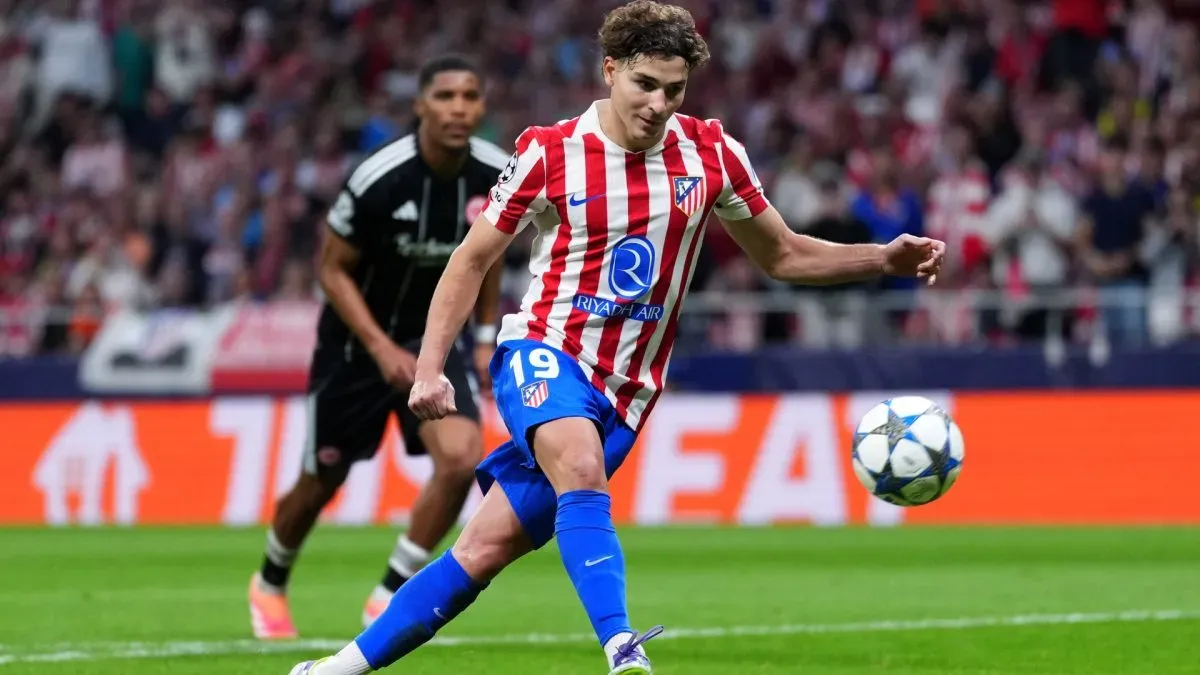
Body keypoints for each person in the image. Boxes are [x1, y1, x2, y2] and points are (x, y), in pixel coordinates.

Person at [287, 2, 944, 673]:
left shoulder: (713, 154)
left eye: (674, 90)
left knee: (480, 551)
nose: (659, 104)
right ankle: (622, 649)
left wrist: (881, 258)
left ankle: (334, 669)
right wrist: (432, 367)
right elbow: (471, 259)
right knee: (577, 464)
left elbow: (782, 255)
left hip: (626, 395)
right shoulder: (549, 151)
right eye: (645, 85)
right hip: (541, 351)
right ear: (610, 70)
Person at [249, 53, 512, 639]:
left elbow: (486, 256)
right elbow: (332, 270)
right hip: (354, 348)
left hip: (435, 344)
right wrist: (379, 348)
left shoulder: (497, 172)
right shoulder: (378, 177)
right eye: (445, 97)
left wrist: (485, 337)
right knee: (322, 479)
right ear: (420, 105)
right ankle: (269, 581)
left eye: (470, 97)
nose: (459, 109)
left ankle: (390, 593)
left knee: (462, 459)